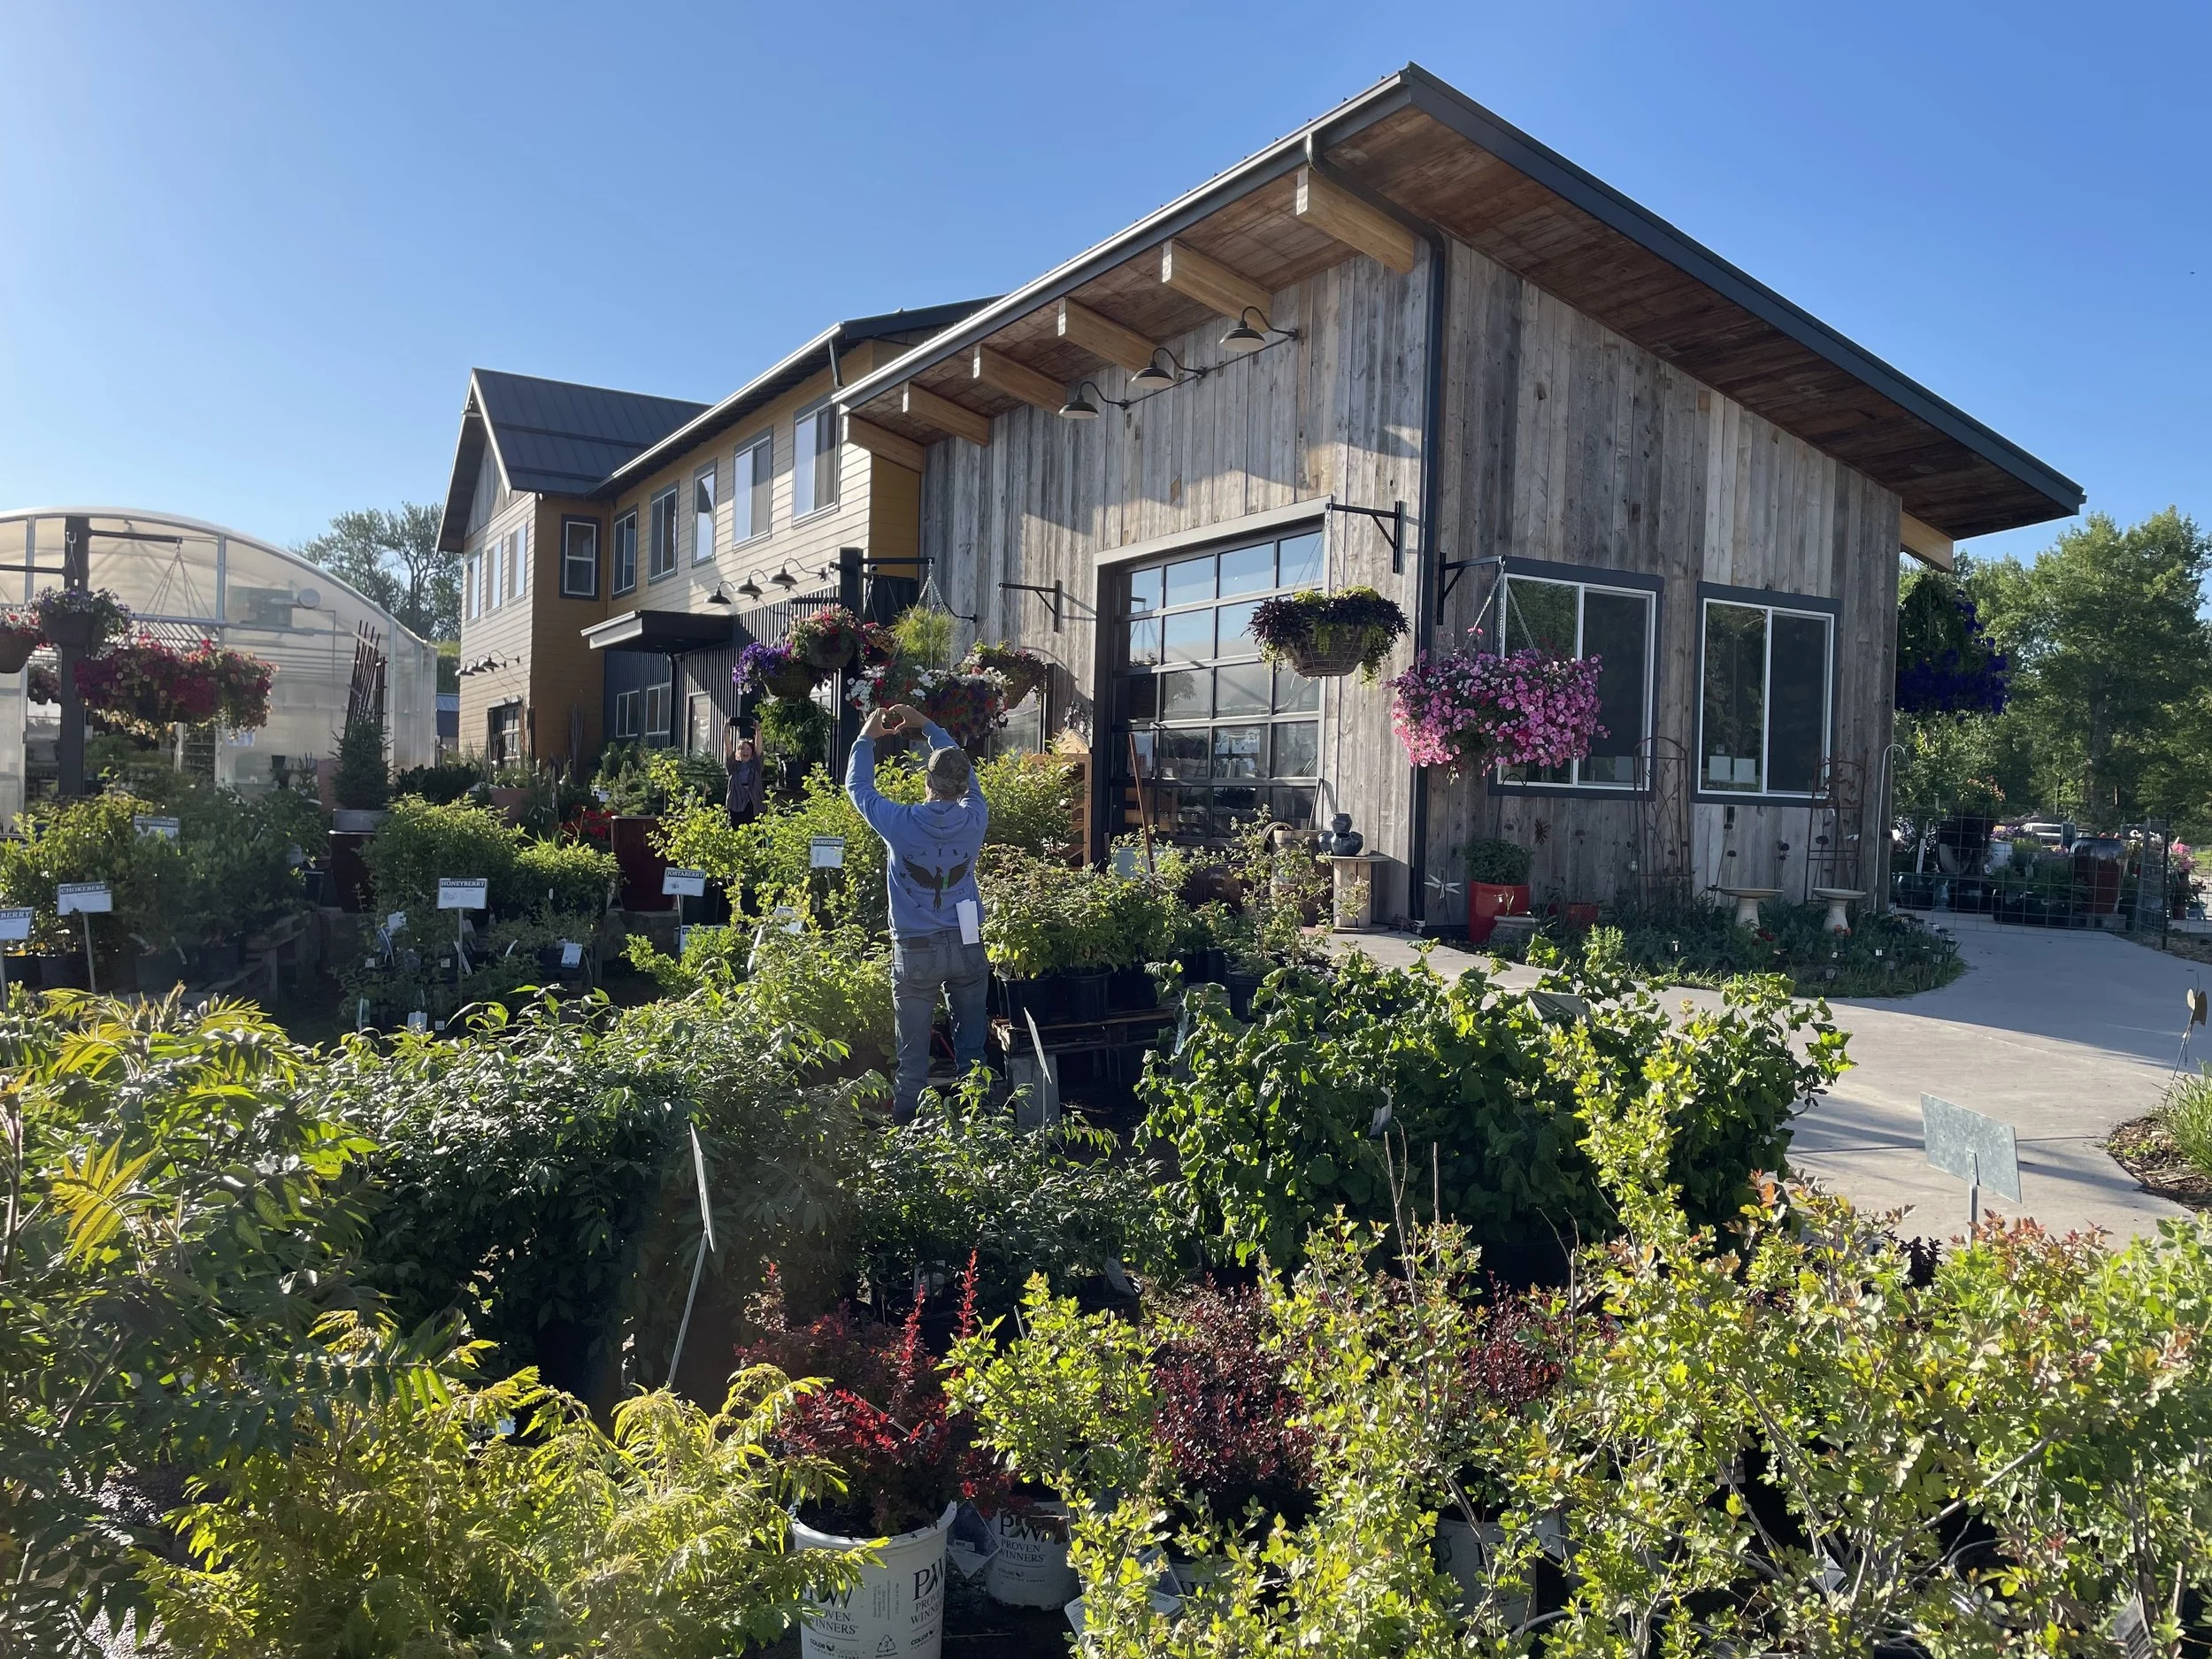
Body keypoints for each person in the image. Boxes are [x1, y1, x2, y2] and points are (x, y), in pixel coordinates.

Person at [845, 702, 989, 1120]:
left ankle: (906, 1138)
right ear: (962, 788)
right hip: (967, 944)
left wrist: (865, 740)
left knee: (911, 1060)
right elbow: (969, 775)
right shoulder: (975, 816)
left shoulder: (899, 821)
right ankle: (979, 1128)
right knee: (972, 1052)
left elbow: (859, 789)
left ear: (927, 781)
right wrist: (930, 727)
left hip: (916, 948)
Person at [724, 719, 764, 828]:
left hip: (753, 804)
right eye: (742, 748)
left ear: (751, 753)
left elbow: (759, 750)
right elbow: (728, 750)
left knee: (755, 835)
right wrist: (726, 732)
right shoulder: (734, 766)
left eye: (747, 749)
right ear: (739, 752)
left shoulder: (755, 766)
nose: (745, 751)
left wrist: (758, 730)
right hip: (737, 804)